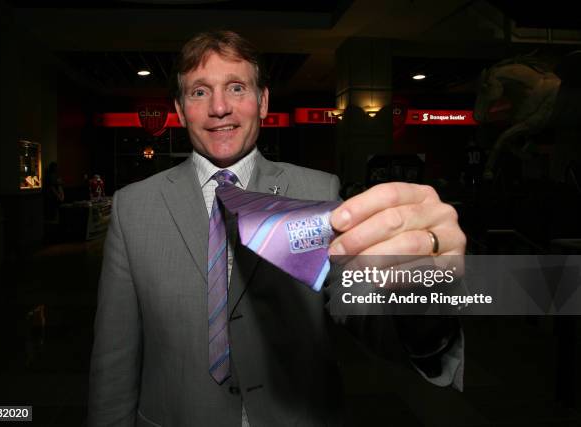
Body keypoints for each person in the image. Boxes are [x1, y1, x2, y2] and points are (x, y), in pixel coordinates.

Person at [88, 30, 466, 427]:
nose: (220, 107)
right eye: (199, 92)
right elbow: (115, 355)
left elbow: (363, 312)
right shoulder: (134, 206)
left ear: (263, 101)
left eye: (237, 87)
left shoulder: (317, 191)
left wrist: (423, 301)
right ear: (181, 110)